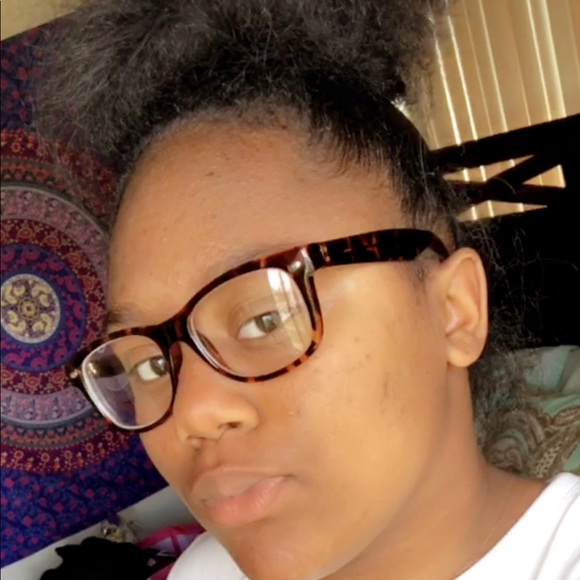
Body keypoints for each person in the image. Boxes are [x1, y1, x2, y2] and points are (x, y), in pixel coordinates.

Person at [40, 0, 579, 578]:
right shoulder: (204, 572)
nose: (193, 413)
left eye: (265, 319)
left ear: (454, 311)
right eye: (148, 365)